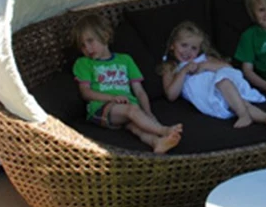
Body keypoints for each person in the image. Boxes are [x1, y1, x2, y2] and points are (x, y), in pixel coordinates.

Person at [71, 13, 183, 154]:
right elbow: (85, 93)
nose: (87, 49)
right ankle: (164, 130)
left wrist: (148, 113)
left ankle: (156, 142)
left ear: (105, 35)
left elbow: (139, 91)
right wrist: (112, 98)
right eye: (82, 46)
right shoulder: (84, 63)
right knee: (132, 110)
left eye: (90, 41)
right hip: (101, 108)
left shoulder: (125, 60)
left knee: (137, 127)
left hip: (126, 109)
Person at [160, 20, 266, 129]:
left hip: (222, 86)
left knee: (226, 84)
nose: (188, 51)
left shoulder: (203, 59)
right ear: (172, 45)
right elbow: (171, 95)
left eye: (194, 48)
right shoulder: (170, 68)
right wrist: (184, 71)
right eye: (184, 45)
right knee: (240, 104)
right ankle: (250, 115)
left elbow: (227, 67)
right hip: (207, 95)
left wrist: (205, 66)